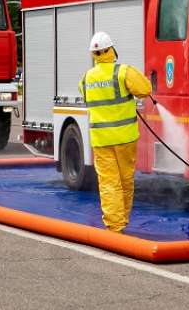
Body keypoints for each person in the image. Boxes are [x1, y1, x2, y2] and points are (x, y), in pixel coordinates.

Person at [78, 31, 152, 233]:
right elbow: (145, 89)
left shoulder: (86, 78)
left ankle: (115, 227)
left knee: (109, 183)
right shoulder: (123, 72)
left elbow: (86, 95)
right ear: (111, 50)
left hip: (101, 141)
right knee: (125, 180)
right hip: (126, 138)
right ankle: (122, 221)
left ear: (94, 54)